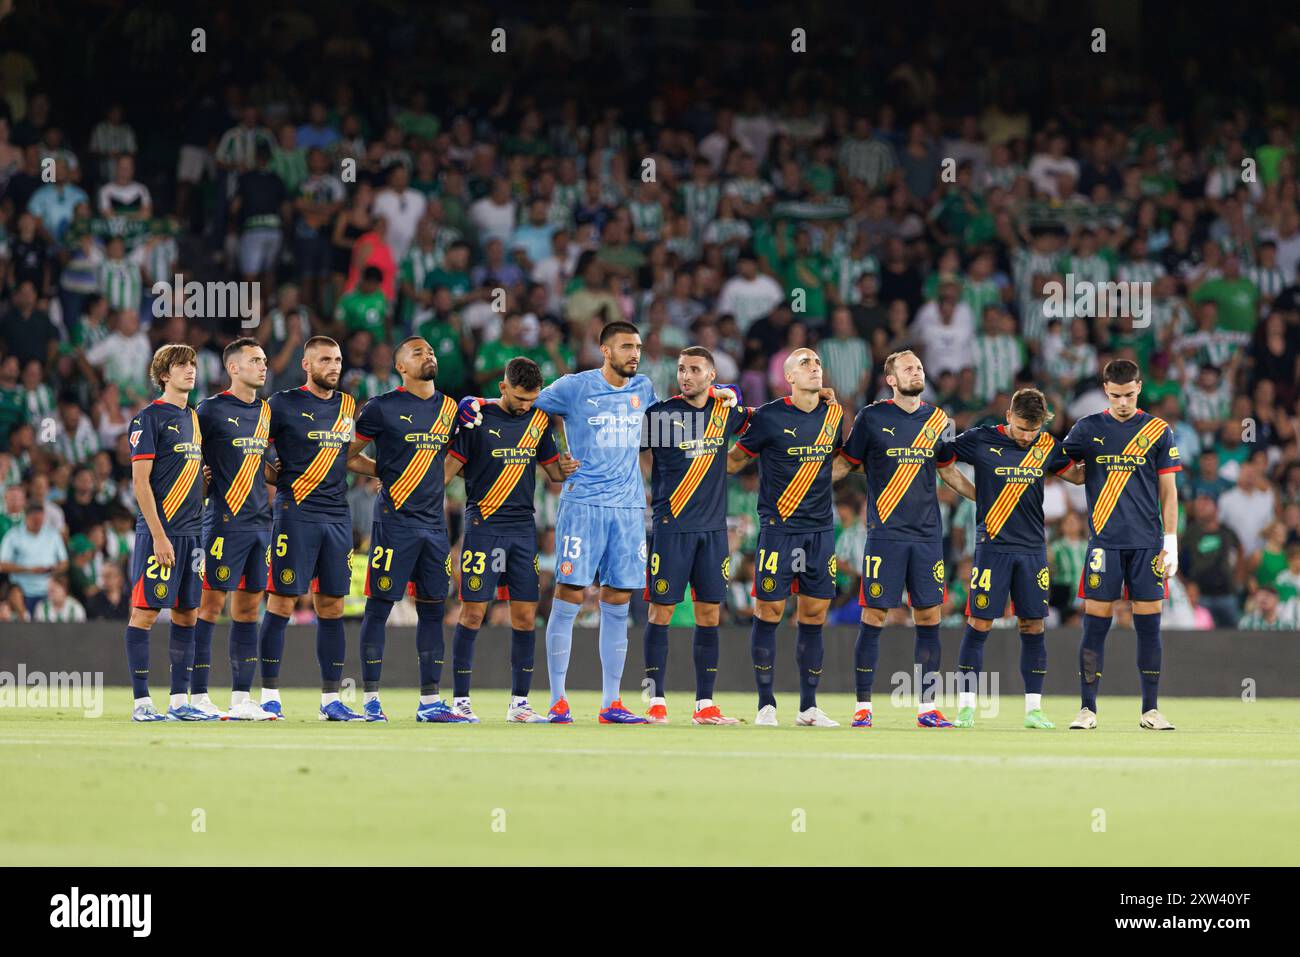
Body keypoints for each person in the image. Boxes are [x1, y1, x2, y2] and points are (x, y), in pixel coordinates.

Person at [832, 349, 977, 728]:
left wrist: (985, 497)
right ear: (892, 380)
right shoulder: (872, 416)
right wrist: (807, 483)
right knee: (874, 614)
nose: (917, 371)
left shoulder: (938, 419)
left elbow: (947, 471)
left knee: (929, 616)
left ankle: (927, 707)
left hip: (928, 535)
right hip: (885, 534)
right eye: (908, 368)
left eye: (919, 366)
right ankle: (863, 706)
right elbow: (847, 463)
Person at [529, 321, 659, 723]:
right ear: (605, 350)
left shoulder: (645, 389)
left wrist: (721, 397)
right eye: (625, 347)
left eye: (636, 346)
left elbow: (669, 428)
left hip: (628, 510)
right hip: (583, 505)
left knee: (618, 600)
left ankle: (611, 703)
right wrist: (552, 458)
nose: (634, 354)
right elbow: (526, 411)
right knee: (569, 593)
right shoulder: (573, 387)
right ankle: (557, 700)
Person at [444, 356, 577, 722]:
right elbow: (446, 472)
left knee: (524, 616)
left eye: (531, 399)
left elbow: (551, 471)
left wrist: (562, 468)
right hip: (482, 525)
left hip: (522, 528)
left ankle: (519, 703)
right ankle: (460, 702)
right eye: (519, 398)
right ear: (503, 387)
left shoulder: (538, 420)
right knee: (472, 613)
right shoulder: (476, 419)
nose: (525, 406)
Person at [944, 388, 1084, 729]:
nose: (1027, 436)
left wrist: (1103, 457)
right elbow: (941, 460)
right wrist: (975, 495)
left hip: (1033, 550)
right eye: (1022, 428)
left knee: (1033, 626)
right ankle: (966, 708)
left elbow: (1077, 476)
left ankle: (1034, 710)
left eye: (1033, 430)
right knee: (979, 623)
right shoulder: (979, 440)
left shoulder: (1047, 445)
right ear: (1008, 415)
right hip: (993, 547)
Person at [343, 336, 465, 722]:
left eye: (430, 351)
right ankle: (371, 700)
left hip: (433, 525)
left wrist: (434, 483)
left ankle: (430, 702)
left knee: (432, 610)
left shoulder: (451, 408)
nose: (428, 355)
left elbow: (459, 455)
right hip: (394, 522)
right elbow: (347, 455)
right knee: (379, 608)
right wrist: (387, 471)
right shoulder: (381, 408)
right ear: (401, 367)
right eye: (418, 353)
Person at [725, 347, 844, 727]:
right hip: (779, 528)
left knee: (813, 614)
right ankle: (766, 704)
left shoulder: (834, 414)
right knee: (770, 611)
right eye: (805, 363)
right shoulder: (769, 416)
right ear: (788, 377)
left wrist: (819, 481)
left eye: (817, 363)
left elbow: (839, 461)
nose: (814, 368)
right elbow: (734, 459)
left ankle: (808, 707)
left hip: (820, 529)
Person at [1061, 359, 1181, 731]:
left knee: (1149, 628)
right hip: (1104, 544)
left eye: (1129, 395)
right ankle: (1087, 709)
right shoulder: (1087, 428)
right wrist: (1081, 475)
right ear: (1105, 390)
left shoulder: (1159, 431)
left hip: (1147, 544)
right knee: (1094, 627)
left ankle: (1150, 709)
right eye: (1115, 395)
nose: (1123, 402)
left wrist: (1171, 541)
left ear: (1140, 388)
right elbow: (1058, 464)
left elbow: (1169, 492)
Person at [260, 336, 375, 721]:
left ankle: (330, 701)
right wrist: (278, 479)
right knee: (282, 601)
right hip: (296, 514)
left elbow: (343, 458)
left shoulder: (347, 404)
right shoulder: (282, 403)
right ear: (307, 365)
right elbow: (254, 449)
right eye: (326, 359)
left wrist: (386, 472)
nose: (334, 366)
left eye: (338, 359)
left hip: (336, 516)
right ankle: (269, 696)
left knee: (332, 606)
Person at [641, 347, 749, 724]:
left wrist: (731, 392)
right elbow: (637, 454)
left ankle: (705, 704)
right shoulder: (660, 414)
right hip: (672, 528)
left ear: (711, 375)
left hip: (713, 530)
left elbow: (755, 418)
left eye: (694, 370)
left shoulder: (725, 411)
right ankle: (656, 701)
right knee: (661, 612)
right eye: (682, 369)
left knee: (709, 614)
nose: (685, 375)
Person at [121, 344, 211, 721]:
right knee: (144, 613)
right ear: (163, 375)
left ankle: (179, 702)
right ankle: (142, 703)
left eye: (191, 364)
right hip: (160, 533)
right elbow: (140, 484)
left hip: (193, 534)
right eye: (180, 366)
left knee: (187, 614)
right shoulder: (148, 419)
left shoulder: (194, 417)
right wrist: (158, 536)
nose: (189, 371)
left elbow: (186, 477)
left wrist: (202, 484)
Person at [192, 338, 277, 720]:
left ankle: (242, 698)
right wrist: (201, 480)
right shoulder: (209, 410)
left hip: (261, 524)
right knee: (209, 607)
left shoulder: (265, 412)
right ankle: (196, 695)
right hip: (223, 522)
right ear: (233, 368)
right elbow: (189, 459)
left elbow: (264, 465)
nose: (263, 366)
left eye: (264, 360)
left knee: (247, 611)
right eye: (255, 360)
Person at [0, 502, 67, 616]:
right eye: (34, 519)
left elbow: (64, 563)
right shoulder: (13, 535)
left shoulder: (53, 534)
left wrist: (53, 569)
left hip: (48, 591)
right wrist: (29, 570)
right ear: (26, 517)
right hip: (22, 590)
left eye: (40, 519)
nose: (38, 522)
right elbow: (3, 565)